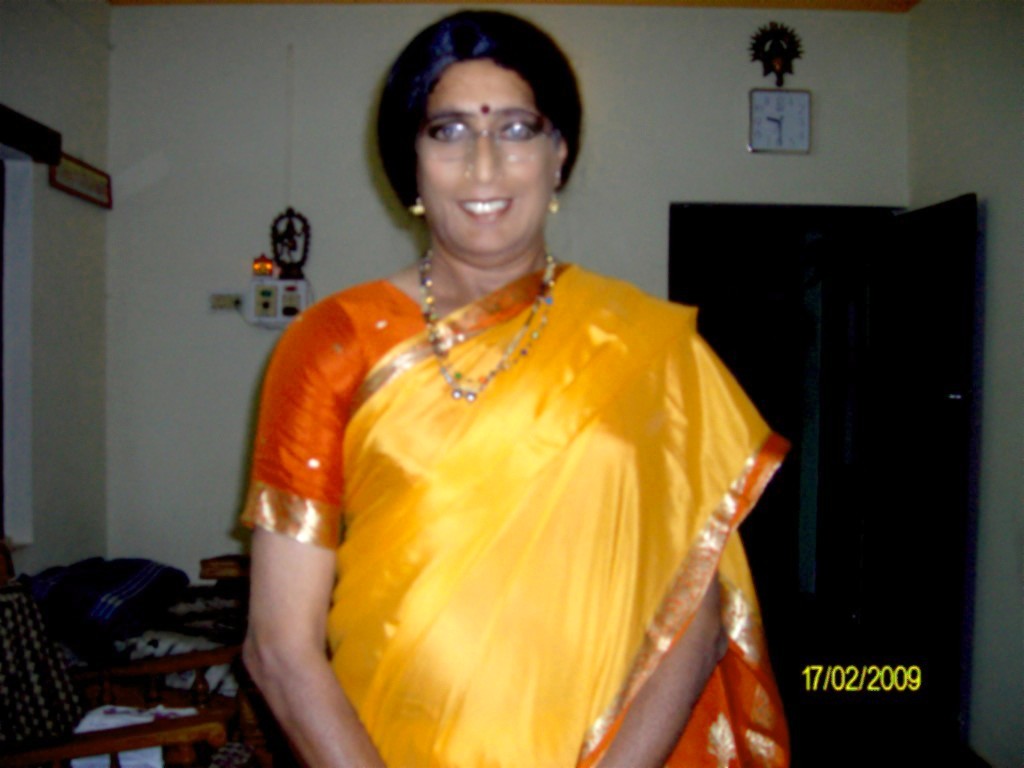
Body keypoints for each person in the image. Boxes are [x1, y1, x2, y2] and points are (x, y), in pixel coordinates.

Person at [241, 10, 789, 767]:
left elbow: (694, 605)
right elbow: (279, 647)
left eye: (518, 130)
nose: (485, 165)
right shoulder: (334, 344)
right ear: (412, 159)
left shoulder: (648, 352)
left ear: (558, 154)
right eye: (450, 131)